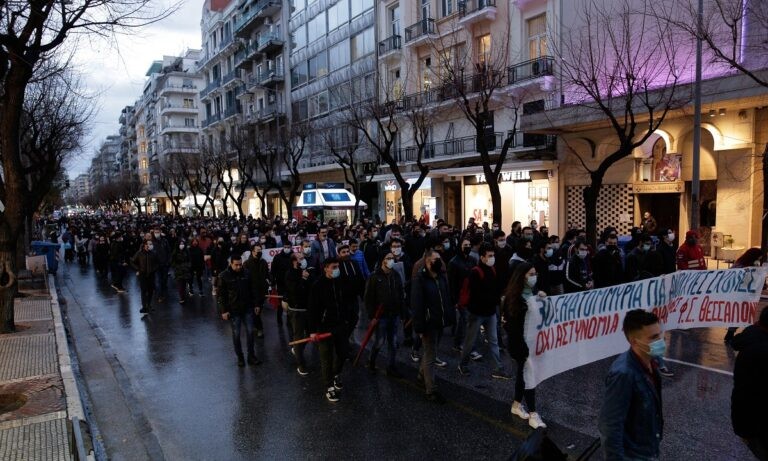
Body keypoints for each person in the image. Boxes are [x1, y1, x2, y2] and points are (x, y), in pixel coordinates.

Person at [599, 309, 665, 461]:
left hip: (649, 451)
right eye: (653, 337)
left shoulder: (653, 361)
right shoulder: (623, 374)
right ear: (635, 341)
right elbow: (610, 426)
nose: (660, 340)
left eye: (659, 334)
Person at [503, 262, 547, 429]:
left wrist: (540, 298)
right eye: (531, 274)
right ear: (522, 277)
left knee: (523, 375)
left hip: (530, 343)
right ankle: (533, 414)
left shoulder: (531, 294)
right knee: (529, 376)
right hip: (520, 345)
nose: (534, 277)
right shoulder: (515, 299)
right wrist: (523, 348)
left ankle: (516, 405)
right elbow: (513, 328)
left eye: (535, 274)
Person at [457, 244, 509, 380]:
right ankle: (463, 364)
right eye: (490, 256)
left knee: (493, 341)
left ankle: (498, 368)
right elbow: (476, 294)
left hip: (490, 312)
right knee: (470, 341)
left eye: (493, 255)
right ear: (482, 257)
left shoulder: (492, 270)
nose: (492, 258)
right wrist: (493, 299)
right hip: (477, 313)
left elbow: (495, 288)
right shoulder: (475, 272)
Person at [411, 249, 455, 403]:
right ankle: (431, 390)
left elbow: (446, 297)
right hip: (428, 324)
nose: (440, 262)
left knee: (431, 351)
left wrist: (449, 315)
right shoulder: (420, 279)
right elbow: (417, 305)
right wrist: (420, 327)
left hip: (440, 321)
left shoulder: (441, 276)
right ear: (428, 262)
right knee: (430, 355)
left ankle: (421, 375)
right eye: (437, 259)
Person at [730, 306, 768, 460]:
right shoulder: (762, 348)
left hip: (742, 412)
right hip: (757, 419)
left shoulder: (750, 334)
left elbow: (735, 342)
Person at [308, 257, 347, 403]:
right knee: (326, 358)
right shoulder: (318, 285)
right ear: (326, 268)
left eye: (338, 267)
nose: (337, 270)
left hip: (340, 325)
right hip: (324, 327)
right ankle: (329, 386)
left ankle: (335, 374)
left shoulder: (340, 281)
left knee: (343, 353)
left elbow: (344, 301)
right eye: (334, 267)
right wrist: (313, 330)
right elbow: (312, 309)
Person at [363, 252, 405, 377]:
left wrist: (402, 311)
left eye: (392, 258)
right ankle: (371, 361)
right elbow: (368, 298)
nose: (391, 260)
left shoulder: (396, 275)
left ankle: (391, 367)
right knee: (379, 342)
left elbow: (400, 294)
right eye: (388, 258)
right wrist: (372, 316)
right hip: (381, 316)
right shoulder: (374, 277)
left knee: (393, 342)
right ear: (383, 260)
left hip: (394, 314)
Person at [217, 254, 261, 367]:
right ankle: (240, 357)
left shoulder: (247, 273)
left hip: (247, 308)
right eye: (236, 265)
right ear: (231, 264)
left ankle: (251, 356)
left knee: (250, 332)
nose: (238, 267)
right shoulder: (223, 276)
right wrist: (224, 311)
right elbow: (221, 295)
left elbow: (253, 289)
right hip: (233, 310)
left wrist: (256, 304)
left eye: (240, 264)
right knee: (236, 335)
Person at [724, 248, 764, 344]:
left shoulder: (739, 263)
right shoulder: (746, 266)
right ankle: (733, 333)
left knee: (739, 314)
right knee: (741, 314)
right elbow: (747, 282)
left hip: (737, 294)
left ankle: (730, 332)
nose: (759, 260)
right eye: (758, 258)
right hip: (741, 294)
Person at [285, 252, 312, 376]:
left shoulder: (304, 271)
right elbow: (295, 291)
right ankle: (301, 364)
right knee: (299, 336)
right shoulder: (290, 274)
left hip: (307, 308)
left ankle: (297, 349)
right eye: (300, 258)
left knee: (309, 334)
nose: (303, 260)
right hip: (297, 310)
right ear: (294, 261)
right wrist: (303, 279)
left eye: (303, 258)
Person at [244, 244, 270, 338]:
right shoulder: (247, 264)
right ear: (253, 251)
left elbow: (267, 274)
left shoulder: (263, 262)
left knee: (257, 310)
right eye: (258, 250)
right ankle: (259, 328)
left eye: (260, 250)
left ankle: (257, 327)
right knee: (255, 311)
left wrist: (269, 282)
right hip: (251, 291)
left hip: (262, 291)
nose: (260, 252)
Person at [131, 239, 158, 315]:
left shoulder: (153, 253)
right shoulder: (139, 253)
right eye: (149, 244)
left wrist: (154, 269)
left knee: (150, 291)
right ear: (145, 245)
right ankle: (144, 306)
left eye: (151, 244)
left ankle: (149, 305)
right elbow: (132, 261)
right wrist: (138, 269)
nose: (150, 245)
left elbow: (157, 263)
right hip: (143, 275)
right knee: (143, 291)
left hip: (151, 275)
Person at [271, 241, 293, 328]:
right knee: (281, 302)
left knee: (290, 302)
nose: (287, 249)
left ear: (291, 247)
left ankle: (289, 319)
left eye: (288, 247)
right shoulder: (277, 257)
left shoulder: (293, 257)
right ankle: (279, 319)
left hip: (291, 283)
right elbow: (273, 270)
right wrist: (273, 281)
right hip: (281, 284)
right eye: (285, 247)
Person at [170, 239, 192, 305]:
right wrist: (176, 267)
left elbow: (189, 260)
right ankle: (182, 297)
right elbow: (172, 262)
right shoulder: (175, 252)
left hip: (185, 270)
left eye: (182, 244)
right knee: (180, 284)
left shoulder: (186, 251)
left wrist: (188, 266)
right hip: (178, 271)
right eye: (180, 244)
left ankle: (183, 295)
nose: (181, 245)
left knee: (184, 284)